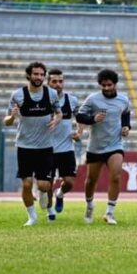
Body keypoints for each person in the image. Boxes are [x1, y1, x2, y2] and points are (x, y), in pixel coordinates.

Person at [4, 61, 62, 226]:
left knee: (44, 185)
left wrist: (56, 120)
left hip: (45, 146)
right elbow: (6, 121)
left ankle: (42, 192)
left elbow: (58, 113)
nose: (39, 77)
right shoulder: (17, 95)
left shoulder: (51, 94)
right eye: (36, 74)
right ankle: (32, 217)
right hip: (24, 146)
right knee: (27, 183)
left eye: (42, 75)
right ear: (28, 75)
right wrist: (12, 116)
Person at [75, 69, 131, 225]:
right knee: (91, 180)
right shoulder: (93, 99)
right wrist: (93, 118)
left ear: (115, 84)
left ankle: (110, 212)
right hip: (95, 146)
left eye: (109, 85)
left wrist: (126, 127)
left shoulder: (123, 100)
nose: (106, 88)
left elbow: (126, 114)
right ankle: (89, 205)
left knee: (116, 177)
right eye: (103, 85)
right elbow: (79, 116)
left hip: (115, 145)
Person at [47, 68, 81, 214]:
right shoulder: (41, 100)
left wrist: (79, 132)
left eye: (60, 81)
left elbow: (80, 118)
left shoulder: (71, 100)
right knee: (47, 184)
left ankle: (60, 194)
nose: (58, 84)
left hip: (66, 148)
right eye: (54, 81)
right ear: (48, 83)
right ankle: (50, 211)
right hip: (46, 149)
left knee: (70, 182)